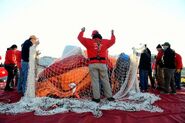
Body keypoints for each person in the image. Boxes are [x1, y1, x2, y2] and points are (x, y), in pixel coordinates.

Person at [77, 27, 115, 103]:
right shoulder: (105, 42)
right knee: (105, 80)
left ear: (93, 36)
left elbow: (79, 38)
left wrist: (82, 31)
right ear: (99, 35)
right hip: (102, 64)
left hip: (93, 64)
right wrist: (112, 34)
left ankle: (96, 98)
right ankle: (109, 97)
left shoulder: (88, 41)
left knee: (95, 81)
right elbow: (113, 41)